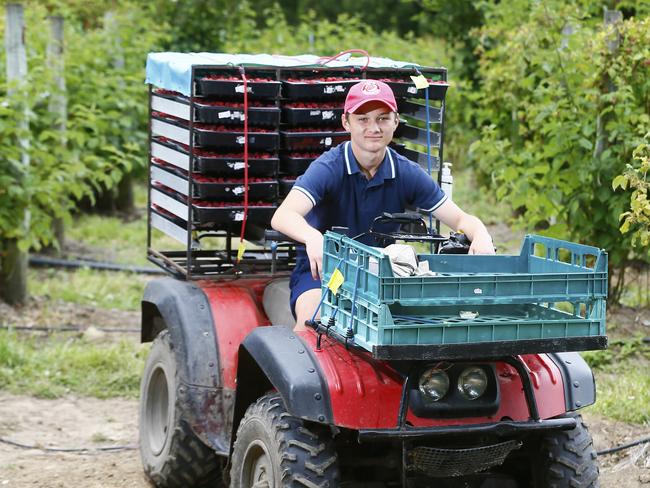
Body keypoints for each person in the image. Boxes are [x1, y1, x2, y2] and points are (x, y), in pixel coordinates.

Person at [271, 80, 494, 330]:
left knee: (428, 326)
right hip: (326, 275)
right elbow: (283, 215)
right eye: (363, 119)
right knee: (314, 324)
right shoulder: (329, 167)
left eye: (383, 118)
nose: (373, 128)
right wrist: (313, 238)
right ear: (347, 122)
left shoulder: (405, 171)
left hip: (381, 277)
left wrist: (481, 234)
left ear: (395, 122)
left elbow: (461, 219)